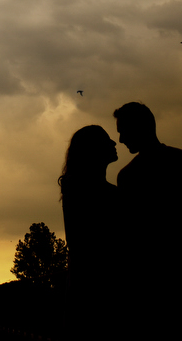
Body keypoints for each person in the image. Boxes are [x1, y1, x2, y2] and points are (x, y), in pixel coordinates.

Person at [113, 101, 182, 298]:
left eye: (123, 131)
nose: (120, 140)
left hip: (155, 281)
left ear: (140, 127)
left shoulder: (128, 176)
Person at [59, 125, 121, 309]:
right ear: (94, 149)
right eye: (106, 139)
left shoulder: (74, 188)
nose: (113, 142)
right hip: (100, 287)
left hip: (86, 285)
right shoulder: (103, 193)